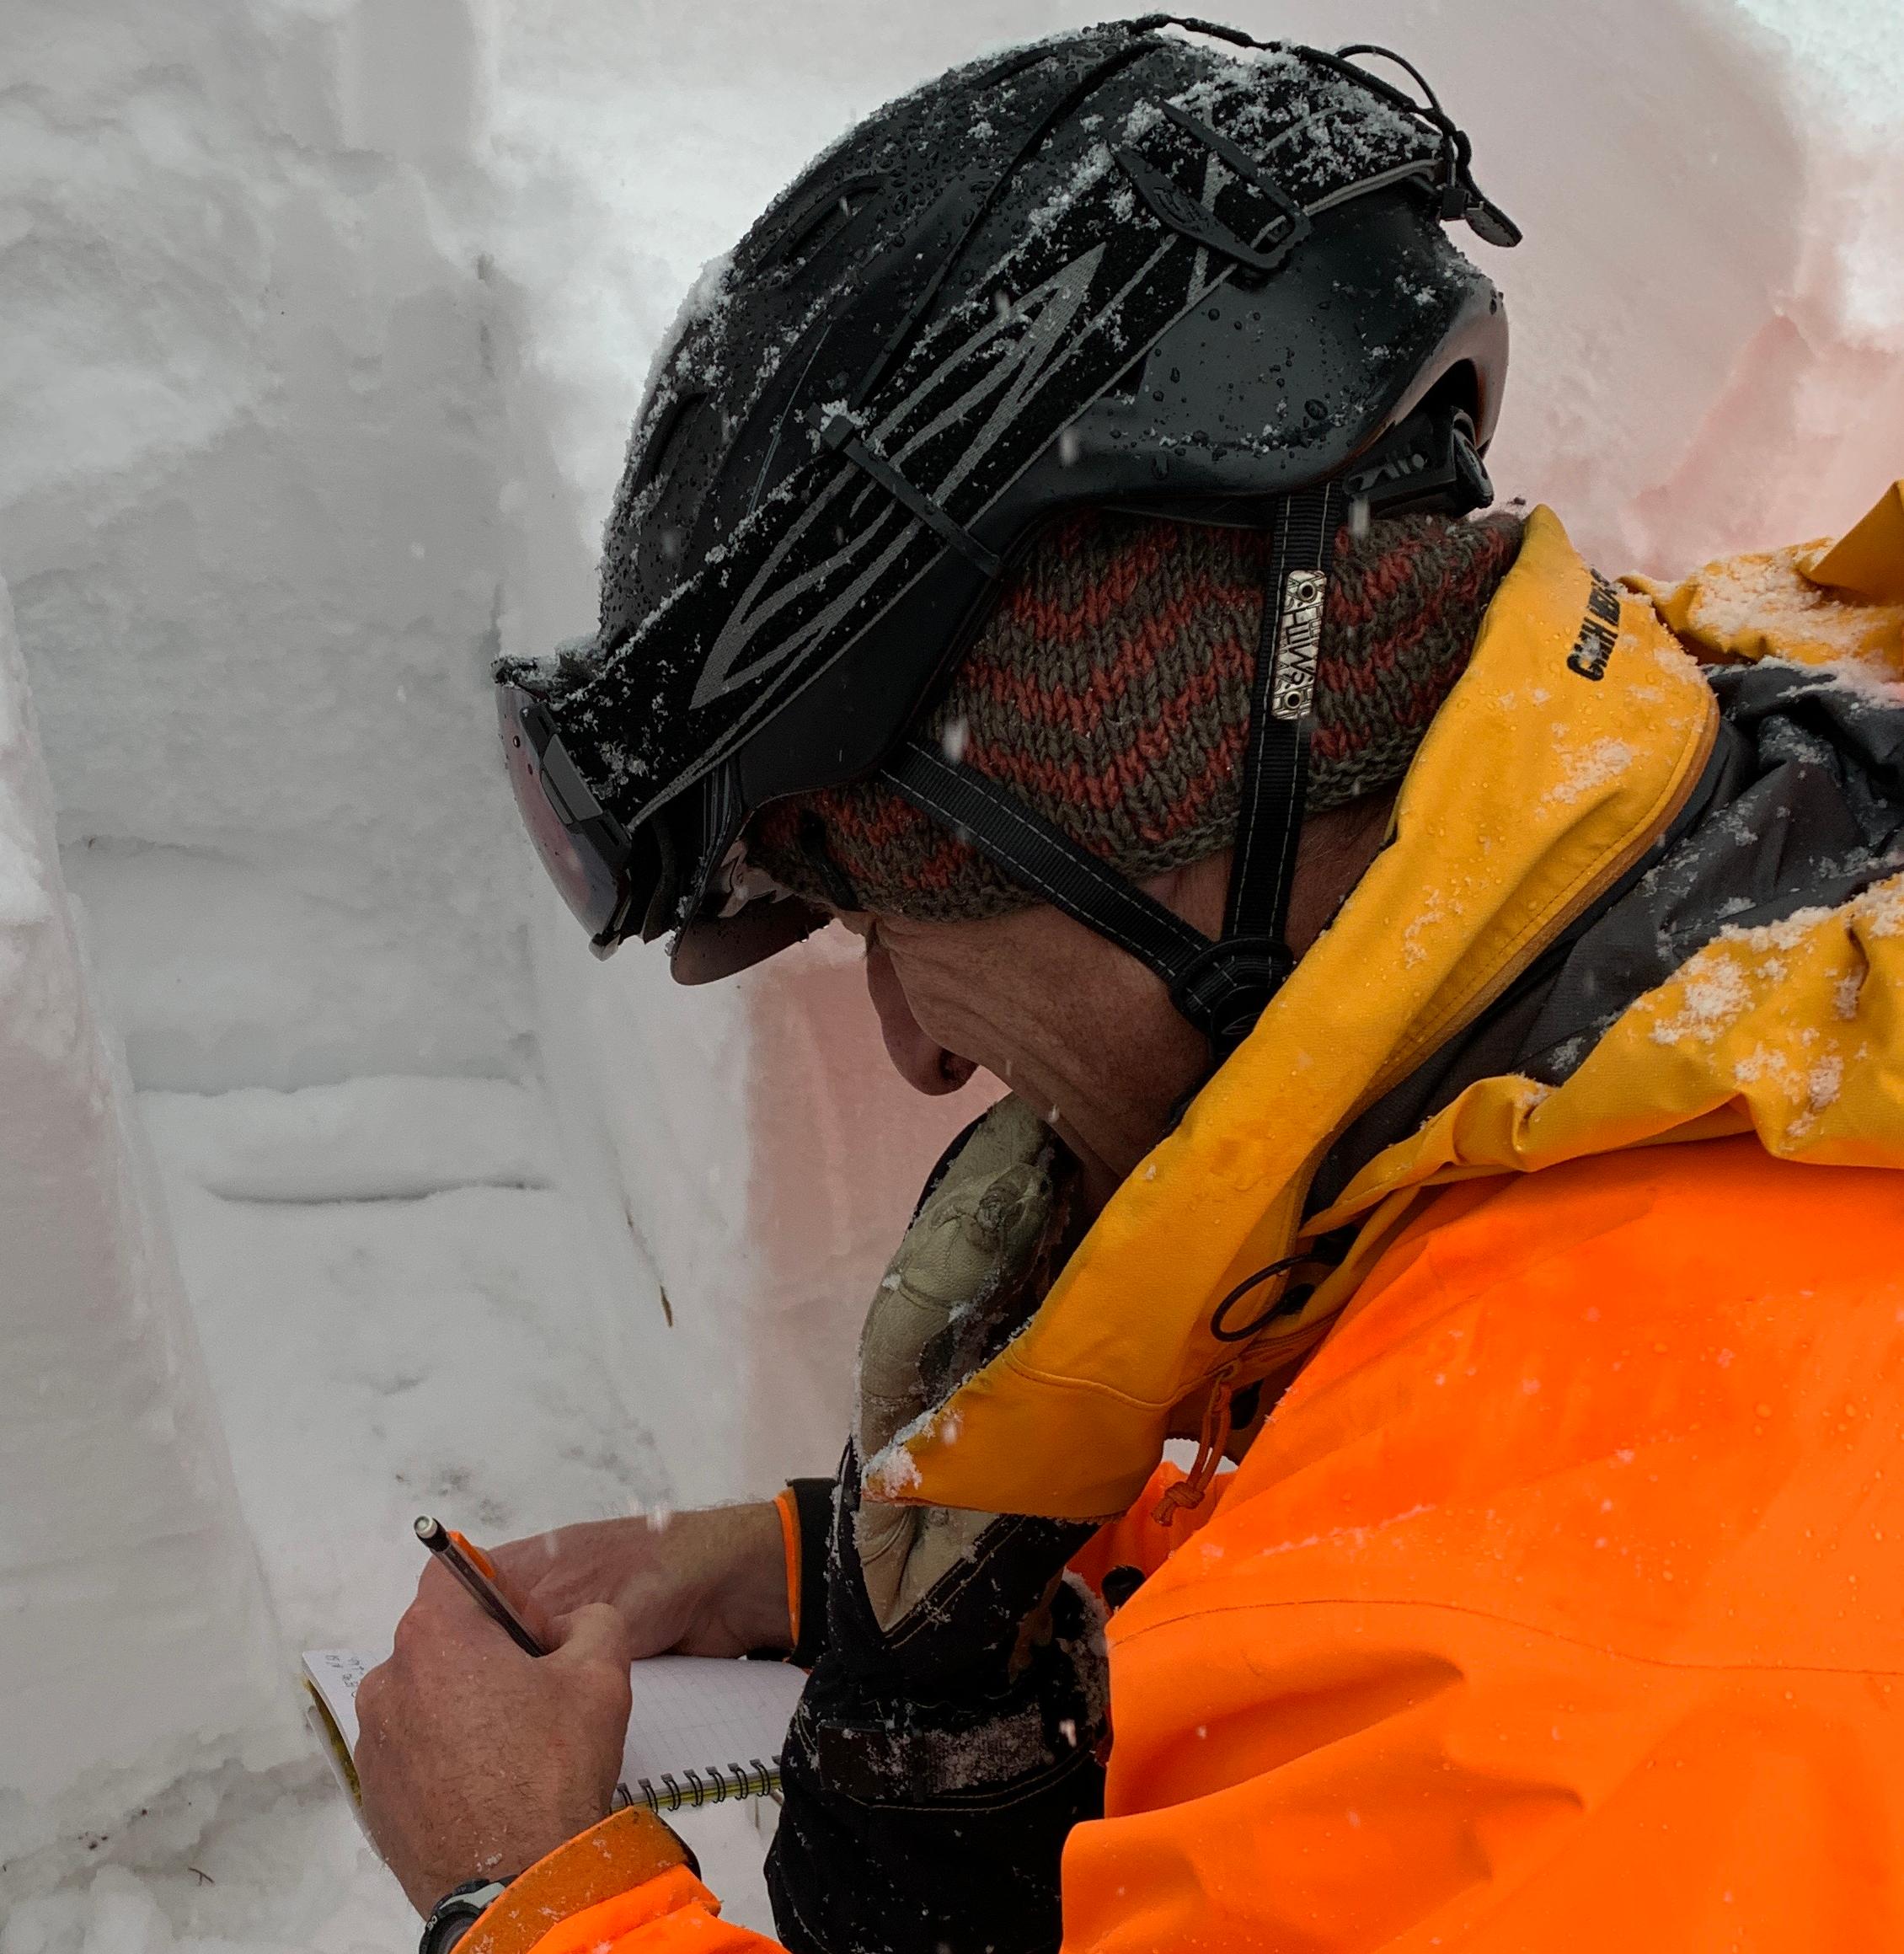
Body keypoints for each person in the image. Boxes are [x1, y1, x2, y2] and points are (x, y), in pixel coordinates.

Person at [355, 18, 1904, 1953]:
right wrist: (850, 1568)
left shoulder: (1567, 1670)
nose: (912, 1045)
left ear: (1130, 799)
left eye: (885, 911)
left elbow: (1474, 1639)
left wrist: (527, 1894)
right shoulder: (1722, 821)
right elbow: (1413, 1437)